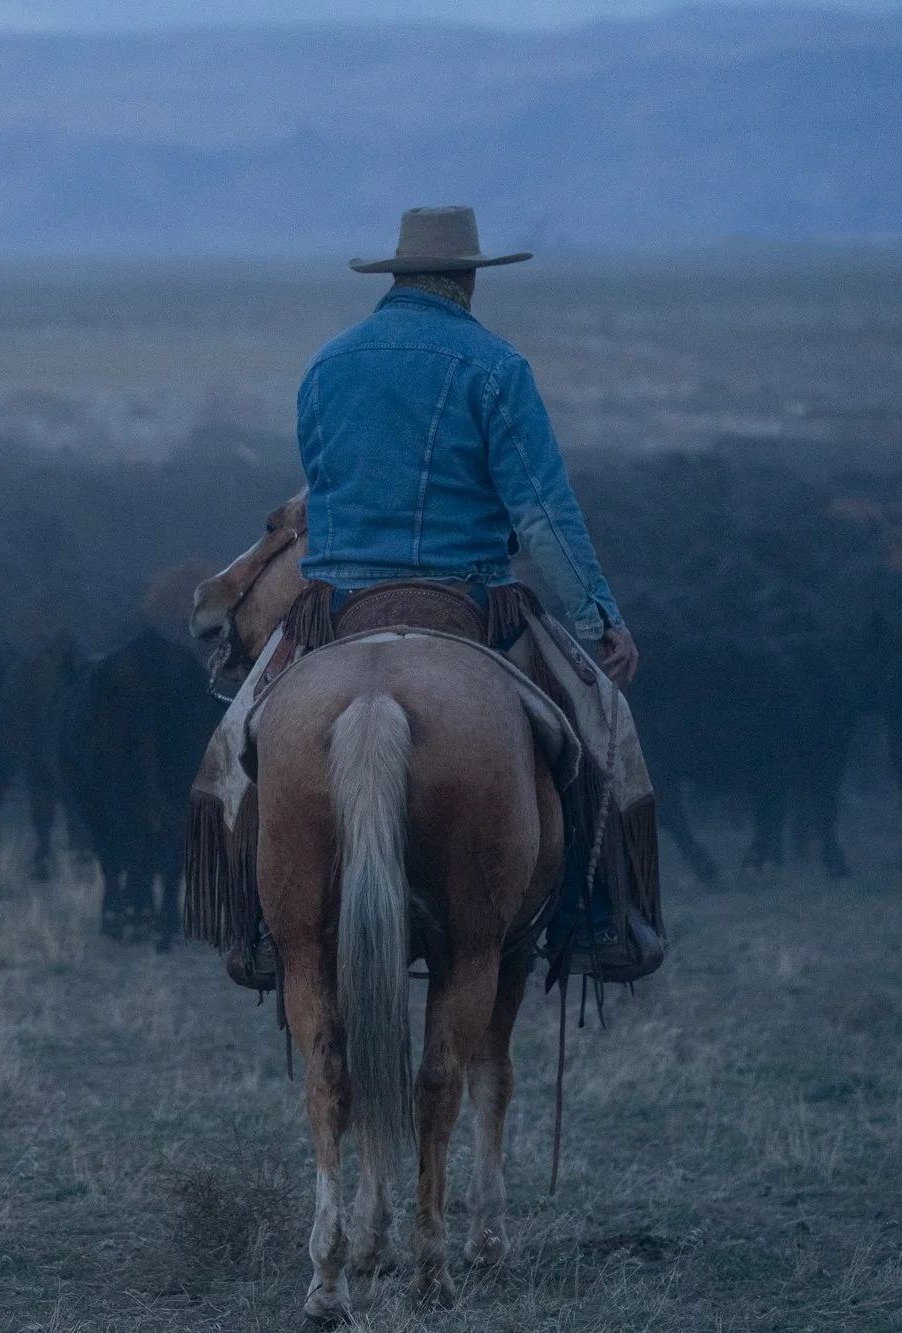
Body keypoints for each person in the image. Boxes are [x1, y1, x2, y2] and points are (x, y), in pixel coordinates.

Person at [285, 205, 660, 981]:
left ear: (396, 276)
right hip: (472, 605)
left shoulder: (325, 366)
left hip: (339, 605)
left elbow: (320, 492)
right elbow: (542, 514)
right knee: (601, 721)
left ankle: (264, 922)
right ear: (466, 279)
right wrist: (599, 620)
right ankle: (600, 919)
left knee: (246, 735)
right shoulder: (496, 368)